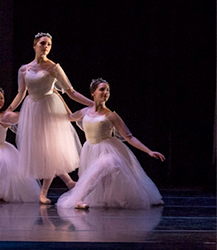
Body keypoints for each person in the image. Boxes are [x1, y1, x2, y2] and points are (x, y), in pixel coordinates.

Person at [6, 32, 93, 204]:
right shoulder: (24, 69)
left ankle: (46, 192)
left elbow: (71, 92)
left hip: (49, 108)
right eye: (42, 43)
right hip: (32, 110)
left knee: (51, 150)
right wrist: (8, 110)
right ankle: (68, 183)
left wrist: (93, 104)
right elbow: (21, 93)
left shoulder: (53, 67)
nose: (46, 47)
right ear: (34, 46)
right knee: (41, 151)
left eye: (49, 45)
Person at [56, 79, 165, 210]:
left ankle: (79, 199)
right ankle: (98, 199)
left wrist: (148, 151)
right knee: (99, 179)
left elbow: (129, 137)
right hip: (90, 150)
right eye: (102, 89)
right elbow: (70, 116)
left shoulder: (111, 115)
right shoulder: (85, 112)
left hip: (109, 150)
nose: (105, 92)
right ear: (93, 93)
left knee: (101, 168)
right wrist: (58, 98)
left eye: (108, 90)